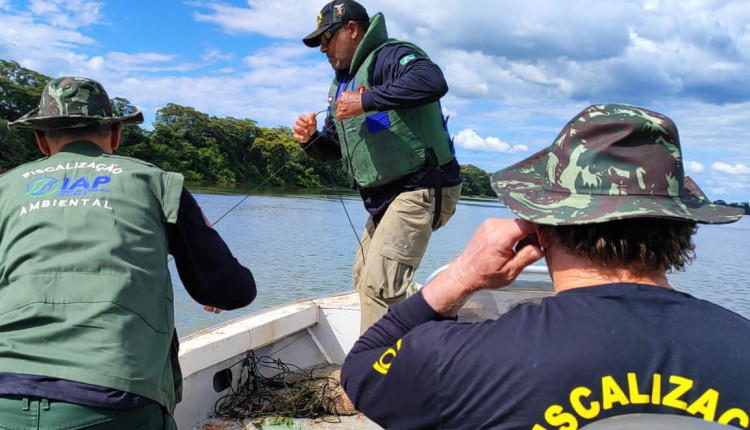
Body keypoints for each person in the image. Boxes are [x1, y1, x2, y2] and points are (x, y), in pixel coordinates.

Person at [340, 104, 750, 429]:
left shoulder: (471, 359)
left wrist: (464, 274)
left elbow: (362, 367)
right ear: (682, 227)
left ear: (541, 226)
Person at [0, 77, 257, 429]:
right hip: (115, 400)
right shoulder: (155, 182)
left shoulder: (5, 188)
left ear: (41, 139)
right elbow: (231, 291)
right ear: (116, 133)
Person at [292, 0, 463, 333]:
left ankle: (373, 378)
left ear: (352, 30)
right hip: (387, 199)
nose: (323, 49)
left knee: (379, 286)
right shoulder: (343, 85)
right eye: (319, 44)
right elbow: (333, 151)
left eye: (327, 38)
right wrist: (310, 139)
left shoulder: (389, 56)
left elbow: (432, 80)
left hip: (424, 184)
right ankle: (435, 317)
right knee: (363, 276)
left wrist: (366, 100)